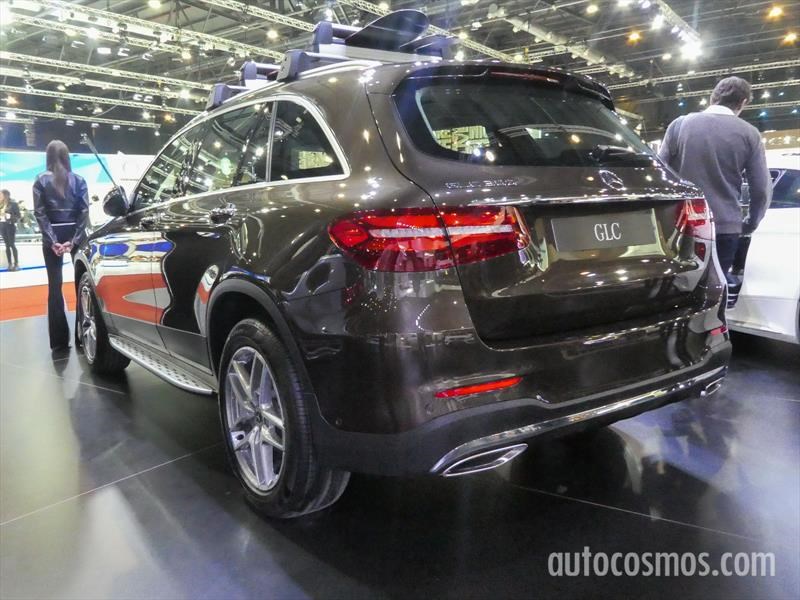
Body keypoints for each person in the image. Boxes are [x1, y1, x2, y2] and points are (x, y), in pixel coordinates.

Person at [658, 76, 771, 282]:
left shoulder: (679, 125)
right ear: (743, 102)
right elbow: (761, 189)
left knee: (674, 290)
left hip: (680, 226)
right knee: (713, 291)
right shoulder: (750, 134)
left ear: (713, 97)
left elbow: (659, 173)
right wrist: (750, 223)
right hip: (724, 226)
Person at [33, 140, 89, 351]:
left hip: (53, 236)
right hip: (74, 233)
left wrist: (53, 240)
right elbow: (84, 212)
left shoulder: (39, 180)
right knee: (82, 285)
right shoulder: (80, 180)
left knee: (54, 287)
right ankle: (83, 337)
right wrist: (73, 240)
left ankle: (58, 342)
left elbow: (40, 213)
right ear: (67, 156)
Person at [1, 189, 21, 271]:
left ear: (6, 195)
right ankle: (9, 264)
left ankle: (16, 263)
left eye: (1, 195)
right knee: (6, 245)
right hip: (2, 226)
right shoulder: (0, 205)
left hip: (10, 225)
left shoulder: (13, 204)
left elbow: (18, 216)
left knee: (12, 244)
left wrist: (9, 217)